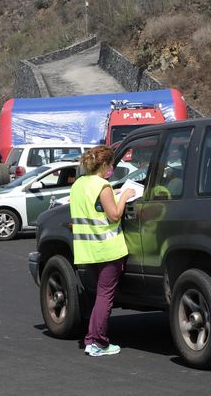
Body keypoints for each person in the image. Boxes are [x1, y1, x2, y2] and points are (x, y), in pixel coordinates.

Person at [70, 145, 135, 357]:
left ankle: (90, 340)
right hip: (107, 250)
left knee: (99, 295)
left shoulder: (79, 184)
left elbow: (94, 206)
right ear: (105, 165)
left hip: (87, 251)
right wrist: (124, 195)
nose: (112, 168)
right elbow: (114, 215)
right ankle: (99, 342)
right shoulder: (103, 185)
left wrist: (114, 193)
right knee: (105, 297)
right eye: (111, 164)